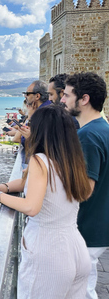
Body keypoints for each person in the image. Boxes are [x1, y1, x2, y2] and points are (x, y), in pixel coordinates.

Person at [0, 105, 92, 298]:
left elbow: (31, 206)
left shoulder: (39, 160)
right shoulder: (70, 160)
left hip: (49, 253)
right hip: (76, 248)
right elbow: (33, 185)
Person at [61, 72, 109, 299]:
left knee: (78, 292)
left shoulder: (88, 136)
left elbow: (84, 190)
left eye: (67, 95)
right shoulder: (103, 129)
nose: (62, 100)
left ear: (84, 99)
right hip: (98, 227)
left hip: (86, 229)